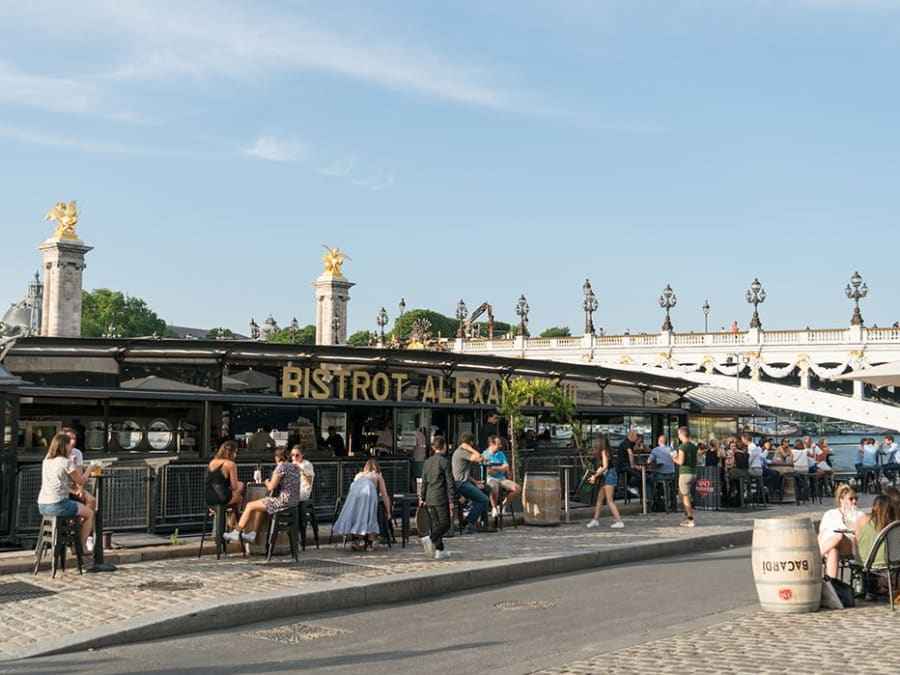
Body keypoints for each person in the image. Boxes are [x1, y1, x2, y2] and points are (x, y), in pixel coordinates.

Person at [224, 447, 300, 543]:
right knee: (260, 505)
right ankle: (253, 534)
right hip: (293, 501)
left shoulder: (281, 467)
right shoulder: (294, 467)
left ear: (277, 457)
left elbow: (271, 486)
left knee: (249, 505)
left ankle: (236, 532)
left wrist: (267, 482)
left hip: (283, 501)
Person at [36, 432, 96, 552]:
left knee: (79, 512)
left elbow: (60, 481)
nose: (71, 447)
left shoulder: (47, 461)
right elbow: (80, 480)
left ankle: (74, 539)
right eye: (69, 445)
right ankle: (80, 547)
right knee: (89, 513)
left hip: (42, 505)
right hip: (58, 504)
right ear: (64, 446)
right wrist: (90, 469)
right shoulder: (65, 462)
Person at [332, 459, 392, 551]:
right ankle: (369, 544)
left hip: (354, 492)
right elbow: (384, 495)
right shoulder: (377, 476)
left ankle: (355, 541)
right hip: (368, 490)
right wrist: (388, 511)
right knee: (371, 516)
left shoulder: (359, 475)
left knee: (355, 515)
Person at [418, 436, 455, 560]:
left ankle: (440, 550)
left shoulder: (427, 462)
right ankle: (431, 538)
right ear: (444, 447)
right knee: (445, 524)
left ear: (434, 447)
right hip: (441, 496)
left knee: (436, 524)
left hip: (429, 497)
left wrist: (422, 497)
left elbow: (424, 481)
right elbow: (450, 482)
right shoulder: (445, 462)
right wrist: (452, 497)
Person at [451, 432, 491, 534]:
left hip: (466, 481)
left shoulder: (462, 451)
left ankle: (483, 522)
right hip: (461, 484)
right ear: (471, 443)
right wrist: (470, 448)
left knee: (486, 488)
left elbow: (464, 472)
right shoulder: (462, 452)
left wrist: (475, 482)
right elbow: (480, 458)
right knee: (484, 500)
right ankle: (467, 522)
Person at [818, 484, 859, 579]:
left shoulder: (859, 515)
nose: (854, 501)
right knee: (833, 551)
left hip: (848, 544)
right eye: (851, 499)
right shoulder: (829, 514)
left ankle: (815, 558)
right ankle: (832, 584)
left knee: (839, 535)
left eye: (856, 498)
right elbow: (821, 534)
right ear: (841, 500)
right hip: (829, 546)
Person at [586, 437, 624, 529]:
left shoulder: (603, 452)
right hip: (607, 475)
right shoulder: (606, 451)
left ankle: (619, 521)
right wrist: (595, 475)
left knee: (609, 500)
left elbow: (605, 466)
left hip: (609, 476)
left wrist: (595, 476)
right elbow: (603, 466)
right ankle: (595, 520)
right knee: (599, 499)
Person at [204, 440, 245, 528]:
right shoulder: (230, 464)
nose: (236, 455)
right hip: (222, 498)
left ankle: (228, 520)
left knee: (239, 498)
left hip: (209, 498)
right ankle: (231, 524)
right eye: (235, 452)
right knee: (240, 487)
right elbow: (234, 486)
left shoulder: (212, 462)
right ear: (231, 453)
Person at [481, 434, 521, 518]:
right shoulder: (485, 455)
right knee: (494, 487)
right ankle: (494, 508)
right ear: (492, 444)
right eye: (498, 444)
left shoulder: (501, 454)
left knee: (517, 488)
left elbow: (506, 467)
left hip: (501, 478)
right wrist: (501, 468)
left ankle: (502, 506)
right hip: (489, 479)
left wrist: (494, 468)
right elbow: (488, 471)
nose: (500, 446)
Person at [62, 426, 96, 512]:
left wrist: (80, 488)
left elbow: (79, 476)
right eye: (69, 439)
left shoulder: (77, 453)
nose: (73, 441)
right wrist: (88, 470)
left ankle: (84, 519)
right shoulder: (58, 453)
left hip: (73, 485)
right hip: (62, 487)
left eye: (74, 438)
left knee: (91, 500)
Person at [673, 426, 697, 527]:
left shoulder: (682, 447)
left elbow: (681, 462)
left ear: (682, 434)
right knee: (681, 493)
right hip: (693, 472)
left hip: (684, 473)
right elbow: (696, 460)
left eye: (678, 434)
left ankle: (690, 519)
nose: (678, 436)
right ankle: (687, 514)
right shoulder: (693, 446)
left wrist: (674, 458)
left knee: (685, 495)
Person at [646, 434, 675, 499]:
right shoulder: (671, 449)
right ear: (666, 442)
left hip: (661, 475)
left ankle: (650, 499)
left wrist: (654, 464)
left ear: (659, 441)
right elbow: (676, 459)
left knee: (648, 480)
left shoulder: (656, 450)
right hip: (671, 475)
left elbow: (648, 461)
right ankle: (670, 499)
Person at [615, 429, 641, 498]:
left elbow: (636, 449)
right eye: (636, 436)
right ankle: (630, 487)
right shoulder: (626, 443)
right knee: (639, 475)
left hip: (625, 465)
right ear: (631, 435)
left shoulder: (630, 443)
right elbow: (630, 454)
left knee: (640, 473)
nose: (637, 438)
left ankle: (631, 487)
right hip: (623, 465)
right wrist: (633, 465)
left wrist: (637, 443)